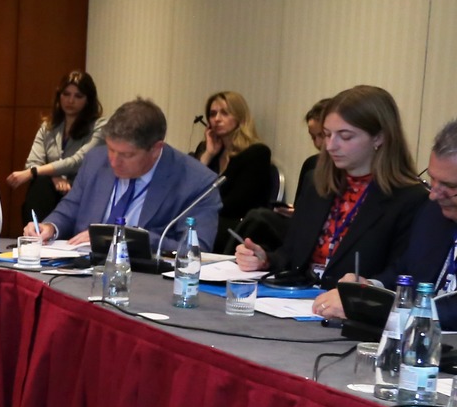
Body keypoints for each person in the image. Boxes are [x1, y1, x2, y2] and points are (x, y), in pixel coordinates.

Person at [236, 84, 425, 289]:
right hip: (296, 299)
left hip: (350, 305)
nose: (330, 146)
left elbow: (400, 275)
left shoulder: (410, 199)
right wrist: (265, 260)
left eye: (345, 136)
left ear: (379, 137)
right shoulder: (315, 183)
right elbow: (290, 254)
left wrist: (366, 286)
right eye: (327, 134)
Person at [36, 98, 222, 249]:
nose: (113, 161)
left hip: (144, 278)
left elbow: (196, 249)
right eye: (111, 149)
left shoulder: (197, 182)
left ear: (156, 149)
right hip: (81, 268)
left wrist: (125, 238)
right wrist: (51, 226)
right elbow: (72, 206)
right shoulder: (96, 159)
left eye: (127, 155)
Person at [368, 118, 457, 297]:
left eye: (449, 186)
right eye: (432, 179)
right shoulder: (431, 213)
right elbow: (403, 272)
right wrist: (368, 288)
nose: (433, 195)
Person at [6, 72, 104, 226]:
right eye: (66, 94)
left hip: (80, 192)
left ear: (88, 100)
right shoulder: (48, 127)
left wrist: (35, 171)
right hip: (50, 192)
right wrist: (54, 177)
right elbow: (32, 162)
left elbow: (77, 161)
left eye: (78, 96)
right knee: (41, 183)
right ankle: (35, 234)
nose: (70, 100)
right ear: (59, 96)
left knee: (39, 177)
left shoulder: (99, 127)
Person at [191, 91, 274, 251]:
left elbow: (236, 205)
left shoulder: (257, 153)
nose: (217, 119)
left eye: (224, 113)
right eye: (212, 114)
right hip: (209, 223)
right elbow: (188, 191)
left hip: (236, 228)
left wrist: (201, 207)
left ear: (239, 117)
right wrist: (208, 155)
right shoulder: (208, 150)